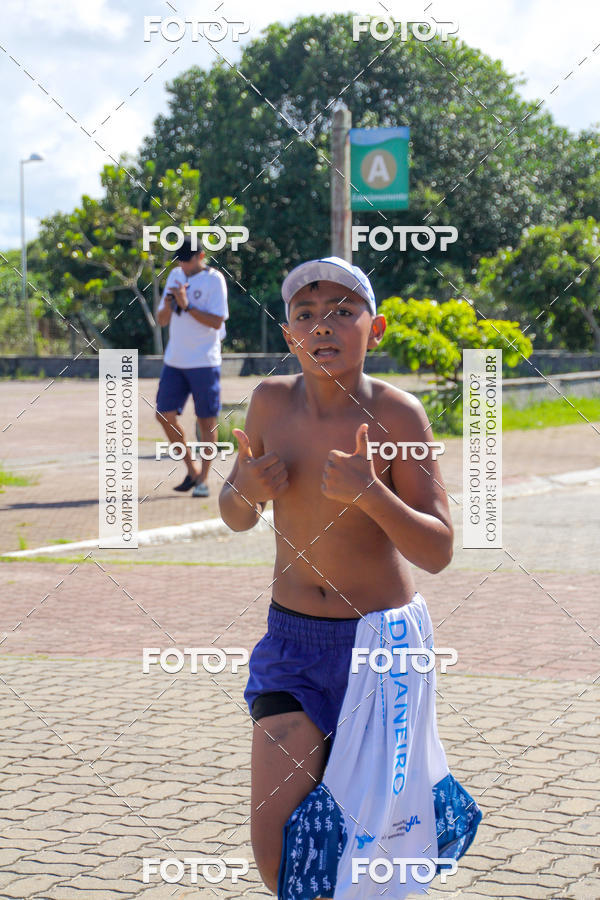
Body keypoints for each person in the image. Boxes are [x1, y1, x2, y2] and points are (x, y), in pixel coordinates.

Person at [218, 257, 455, 896]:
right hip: (290, 645)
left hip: (379, 649)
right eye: (306, 315)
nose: (323, 326)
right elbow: (238, 517)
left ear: (373, 331)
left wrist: (373, 496)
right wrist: (243, 487)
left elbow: (438, 550)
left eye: (342, 313)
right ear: (289, 334)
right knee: (276, 853)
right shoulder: (269, 403)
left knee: (374, 843)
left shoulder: (398, 418)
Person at [155, 238, 228, 497]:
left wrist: (187, 305)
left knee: (206, 421)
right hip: (175, 360)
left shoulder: (215, 280)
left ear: (201, 256)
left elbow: (217, 321)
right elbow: (162, 321)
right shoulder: (175, 274)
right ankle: (192, 470)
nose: (183, 265)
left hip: (205, 361)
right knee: (164, 415)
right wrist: (168, 303)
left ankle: (204, 480)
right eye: (180, 260)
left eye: (188, 259)